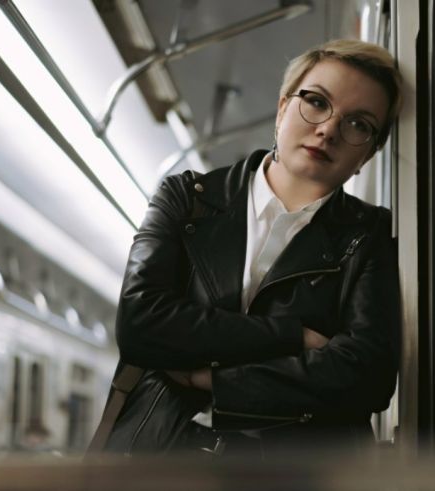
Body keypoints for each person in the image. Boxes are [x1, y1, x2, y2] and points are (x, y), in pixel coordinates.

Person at [100, 39, 403, 459]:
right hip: (161, 457)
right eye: (316, 102)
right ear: (282, 108)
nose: (329, 128)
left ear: (369, 153)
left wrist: (214, 381)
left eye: (358, 124)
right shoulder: (188, 198)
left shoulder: (368, 234)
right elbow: (141, 324)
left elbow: (367, 375)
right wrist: (291, 336)